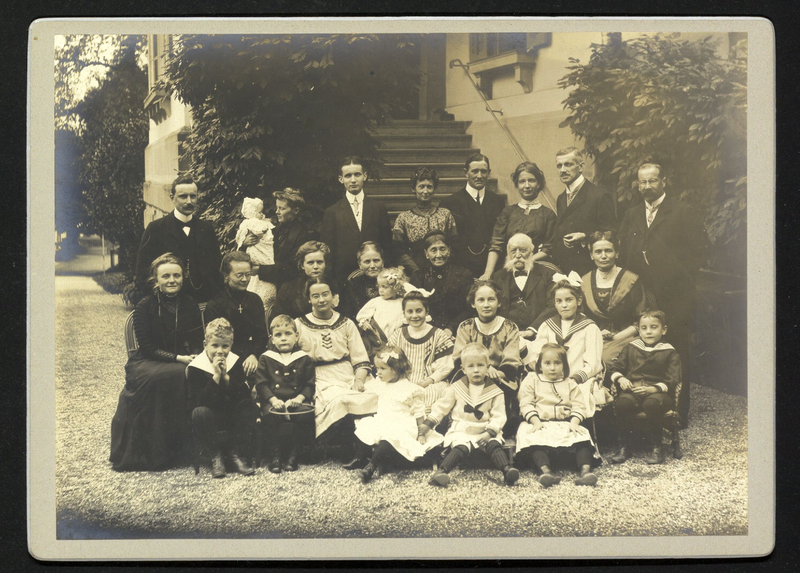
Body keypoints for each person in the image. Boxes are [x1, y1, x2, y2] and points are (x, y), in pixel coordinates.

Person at [617, 162, 707, 426]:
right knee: (640, 351)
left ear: (664, 181)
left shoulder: (683, 212)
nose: (647, 187)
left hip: (675, 298)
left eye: (652, 181)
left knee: (676, 353)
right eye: (642, 182)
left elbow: (700, 252)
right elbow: (625, 254)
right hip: (642, 299)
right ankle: (642, 410)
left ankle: (678, 412)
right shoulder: (632, 214)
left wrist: (672, 276)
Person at [110, 253, 204, 471]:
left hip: (181, 358)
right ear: (156, 279)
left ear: (183, 277)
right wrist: (178, 358)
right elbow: (147, 347)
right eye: (166, 276)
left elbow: (198, 338)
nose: (172, 280)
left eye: (177, 275)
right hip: (147, 360)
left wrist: (196, 356)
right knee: (162, 376)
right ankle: (152, 454)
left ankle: (180, 451)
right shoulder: (145, 306)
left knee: (184, 373)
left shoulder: (189, 304)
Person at [420, 343, 520, 487]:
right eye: (471, 366)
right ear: (463, 369)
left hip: (485, 429)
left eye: (480, 365)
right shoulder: (455, 388)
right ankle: (442, 472)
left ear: (488, 367)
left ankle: (507, 470)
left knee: (493, 444)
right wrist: (428, 424)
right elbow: (441, 407)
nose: (476, 370)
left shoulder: (496, 391)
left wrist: (489, 432)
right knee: (460, 445)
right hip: (463, 429)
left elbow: (499, 416)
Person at [295, 278, 379, 443]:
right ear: (309, 299)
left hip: (347, 372)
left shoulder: (346, 323)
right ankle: (346, 445)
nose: (321, 300)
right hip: (318, 376)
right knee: (340, 399)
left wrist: (359, 380)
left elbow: (360, 359)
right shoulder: (299, 324)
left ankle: (366, 444)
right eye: (316, 296)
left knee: (376, 394)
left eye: (326, 294)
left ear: (333, 297)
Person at [353, 346, 445, 483]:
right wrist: (360, 385)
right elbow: (368, 387)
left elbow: (419, 411)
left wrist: (421, 433)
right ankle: (362, 458)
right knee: (363, 427)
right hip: (383, 420)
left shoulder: (408, 389)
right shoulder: (380, 383)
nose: (378, 373)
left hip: (401, 425)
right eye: (377, 368)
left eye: (382, 369)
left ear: (395, 370)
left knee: (388, 440)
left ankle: (371, 468)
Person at [515, 343, 598, 487]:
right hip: (540, 421)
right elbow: (526, 403)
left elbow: (579, 405)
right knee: (531, 437)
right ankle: (546, 472)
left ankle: (585, 472)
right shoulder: (532, 380)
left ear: (564, 366)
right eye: (547, 363)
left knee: (581, 436)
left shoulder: (570, 383)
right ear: (540, 365)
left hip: (565, 422)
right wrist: (535, 421)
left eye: (557, 363)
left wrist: (574, 422)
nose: (552, 367)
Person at [607, 310, 682, 465]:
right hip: (632, 391)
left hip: (658, 394)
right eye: (644, 328)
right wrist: (621, 379)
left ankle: (657, 447)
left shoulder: (669, 352)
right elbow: (615, 369)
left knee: (652, 404)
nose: (648, 331)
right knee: (622, 403)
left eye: (654, 327)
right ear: (639, 330)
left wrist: (653, 389)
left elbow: (673, 379)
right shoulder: (631, 347)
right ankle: (624, 446)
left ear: (664, 329)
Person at [524, 275, 605, 418]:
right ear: (554, 304)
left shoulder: (590, 328)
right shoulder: (547, 326)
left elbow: (593, 363)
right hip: (549, 377)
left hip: (577, 379)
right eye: (559, 301)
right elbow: (536, 355)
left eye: (569, 300)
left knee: (580, 395)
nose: (564, 305)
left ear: (579, 300)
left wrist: (574, 379)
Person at [186, 318, 258, 478]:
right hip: (209, 416)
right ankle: (215, 455)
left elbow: (243, 395)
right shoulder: (196, 367)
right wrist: (216, 377)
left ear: (231, 345)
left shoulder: (234, 361)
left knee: (248, 406)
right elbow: (197, 401)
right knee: (199, 412)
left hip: (231, 415)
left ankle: (234, 453)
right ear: (205, 344)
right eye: (215, 345)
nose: (220, 351)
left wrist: (226, 377)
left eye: (225, 346)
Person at [135, 174, 223, 303]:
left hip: (202, 303)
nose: (189, 201)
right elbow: (143, 272)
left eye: (193, 196)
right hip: (167, 304)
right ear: (172, 197)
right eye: (183, 196)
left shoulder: (207, 229)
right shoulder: (156, 228)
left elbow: (216, 269)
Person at [453, 280, 522, 436]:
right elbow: (459, 359)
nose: (486, 305)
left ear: (498, 303)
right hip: (471, 375)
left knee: (506, 404)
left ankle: (497, 429)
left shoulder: (509, 327)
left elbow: (511, 361)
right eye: (481, 300)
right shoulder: (466, 327)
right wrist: (482, 370)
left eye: (491, 299)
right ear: (473, 303)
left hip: (500, 377)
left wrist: (495, 373)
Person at [254, 314, 316, 473]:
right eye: (278, 335)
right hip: (274, 401)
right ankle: (275, 455)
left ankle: (294, 455)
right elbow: (261, 383)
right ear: (272, 339)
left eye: (288, 334)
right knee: (270, 415)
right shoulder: (266, 358)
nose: (283, 339)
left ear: (296, 336)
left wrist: (300, 398)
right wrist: (273, 399)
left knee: (305, 415)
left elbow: (309, 383)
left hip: (296, 401)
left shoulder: (304, 359)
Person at [581, 230, 652, 363]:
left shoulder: (630, 280)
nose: (603, 256)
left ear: (617, 253)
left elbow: (642, 318)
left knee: (604, 359)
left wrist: (616, 337)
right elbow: (581, 317)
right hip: (594, 336)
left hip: (626, 336)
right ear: (591, 255)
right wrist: (596, 333)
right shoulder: (584, 281)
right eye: (598, 252)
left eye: (608, 251)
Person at [321, 156, 393, 286]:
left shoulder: (378, 208)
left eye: (357, 174)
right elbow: (329, 253)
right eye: (348, 176)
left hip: (376, 278)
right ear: (340, 179)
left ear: (364, 176)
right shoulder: (332, 212)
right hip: (343, 280)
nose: (353, 180)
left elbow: (387, 246)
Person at [482, 161, 557, 279]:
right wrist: (488, 273)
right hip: (510, 270)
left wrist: (524, 261)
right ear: (517, 185)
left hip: (537, 271)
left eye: (531, 180)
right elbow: (496, 244)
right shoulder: (508, 212)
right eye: (522, 181)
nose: (527, 186)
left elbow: (548, 248)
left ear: (538, 183)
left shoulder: (548, 214)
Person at [550, 148, 616, 277]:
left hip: (588, 268)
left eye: (568, 164)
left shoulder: (599, 195)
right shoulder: (561, 198)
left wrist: (585, 236)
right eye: (559, 166)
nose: (563, 170)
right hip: (564, 268)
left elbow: (611, 232)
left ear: (580, 167)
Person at [438, 153, 506, 278]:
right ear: (466, 172)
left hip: (491, 268)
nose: (479, 176)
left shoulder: (498, 201)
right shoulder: (450, 202)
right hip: (460, 268)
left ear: (489, 172)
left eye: (483, 171)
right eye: (475, 171)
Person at [204, 252, 268, 380]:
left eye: (248, 274)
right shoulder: (216, 304)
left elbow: (261, 335)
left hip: (251, 355)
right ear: (227, 276)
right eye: (239, 275)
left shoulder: (255, 300)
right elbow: (216, 341)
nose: (245, 279)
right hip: (225, 355)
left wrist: (254, 355)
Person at [387, 291, 455, 413]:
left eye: (419, 311)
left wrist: (428, 381)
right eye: (410, 312)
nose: (414, 316)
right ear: (404, 313)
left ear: (426, 311)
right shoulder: (398, 334)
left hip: (429, 382)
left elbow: (445, 366)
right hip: (403, 380)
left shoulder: (438, 334)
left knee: (430, 395)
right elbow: (388, 360)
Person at [243, 188, 313, 292]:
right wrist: (245, 243)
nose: (277, 212)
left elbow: (291, 269)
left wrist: (259, 270)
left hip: (286, 288)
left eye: (282, 208)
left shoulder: (301, 234)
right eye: (277, 207)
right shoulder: (271, 227)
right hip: (263, 283)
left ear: (296, 211)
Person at [392, 167, 458, 275]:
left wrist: (442, 265)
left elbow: (454, 245)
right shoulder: (403, 218)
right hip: (415, 272)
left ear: (434, 189)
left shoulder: (445, 215)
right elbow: (399, 251)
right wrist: (416, 271)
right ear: (414, 189)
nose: (425, 191)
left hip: (443, 270)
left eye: (429, 187)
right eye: (421, 187)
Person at [490, 233, 557, 336]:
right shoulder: (498, 277)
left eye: (522, 250)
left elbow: (553, 306)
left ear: (531, 252)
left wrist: (532, 330)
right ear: (508, 254)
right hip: (505, 335)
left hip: (539, 334)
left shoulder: (548, 275)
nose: (517, 255)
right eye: (513, 251)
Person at [409, 230, 474, 336]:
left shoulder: (463, 274)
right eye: (433, 250)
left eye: (442, 249)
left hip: (458, 331)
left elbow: (469, 309)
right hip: (425, 331)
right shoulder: (418, 277)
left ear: (449, 251)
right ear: (426, 254)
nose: (438, 255)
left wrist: (450, 329)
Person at [234, 197, 277, 315]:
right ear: (252, 213)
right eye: (259, 212)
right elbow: (260, 230)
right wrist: (266, 225)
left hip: (265, 261)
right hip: (256, 253)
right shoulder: (252, 223)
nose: (262, 214)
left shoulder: (256, 222)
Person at [272, 241, 333, 320]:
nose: (315, 266)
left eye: (319, 262)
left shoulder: (335, 287)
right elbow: (279, 320)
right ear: (302, 265)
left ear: (326, 264)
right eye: (310, 263)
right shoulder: (289, 289)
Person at [356, 267, 409, 356]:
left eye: (384, 287)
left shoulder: (403, 302)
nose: (380, 290)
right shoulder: (376, 301)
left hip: (397, 337)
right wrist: (364, 322)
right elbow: (362, 315)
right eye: (379, 286)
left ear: (396, 287)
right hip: (379, 338)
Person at [340, 241, 386, 319]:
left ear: (383, 262)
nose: (372, 266)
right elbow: (348, 315)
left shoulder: (392, 281)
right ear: (360, 265)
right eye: (367, 262)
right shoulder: (352, 285)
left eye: (376, 260)